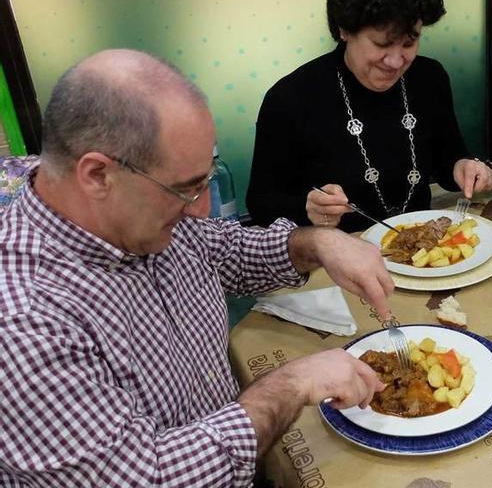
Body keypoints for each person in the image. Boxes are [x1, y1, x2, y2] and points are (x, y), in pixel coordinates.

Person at [0, 49, 393, 486]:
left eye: (206, 180)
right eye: (187, 189)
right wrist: (292, 383)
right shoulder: (23, 322)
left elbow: (225, 251)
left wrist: (317, 243)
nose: (204, 209)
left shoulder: (129, 210)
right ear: (96, 175)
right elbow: (148, 479)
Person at [246, 0, 492, 232]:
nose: (396, 62)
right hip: (333, 258)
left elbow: (448, 159)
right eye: (382, 44)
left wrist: (463, 166)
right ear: (344, 30)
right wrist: (306, 208)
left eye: (409, 42)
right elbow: (261, 205)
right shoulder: (291, 97)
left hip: (422, 254)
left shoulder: (429, 77)